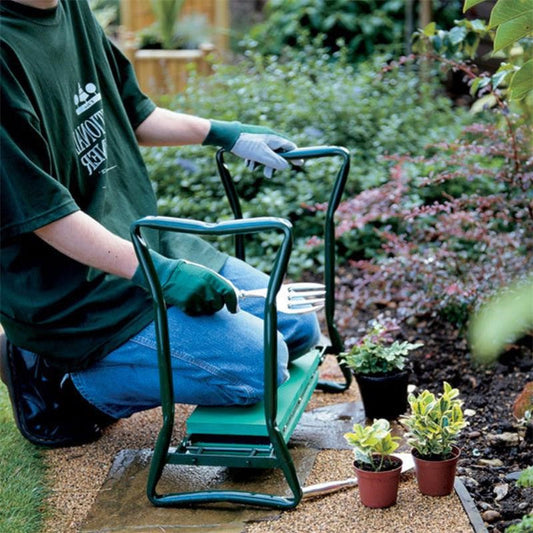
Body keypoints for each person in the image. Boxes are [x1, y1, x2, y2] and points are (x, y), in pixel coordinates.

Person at [0, 0, 320, 447]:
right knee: (263, 365)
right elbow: (46, 216)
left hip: (139, 239)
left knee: (298, 326)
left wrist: (226, 133)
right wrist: (160, 274)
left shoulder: (68, 6)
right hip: (73, 289)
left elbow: (133, 113)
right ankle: (61, 385)